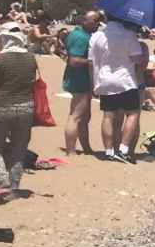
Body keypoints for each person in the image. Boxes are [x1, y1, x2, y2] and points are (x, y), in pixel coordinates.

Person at [0, 23, 40, 199]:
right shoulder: (31, 58)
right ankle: (14, 187)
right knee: (19, 149)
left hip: (3, 106)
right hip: (27, 107)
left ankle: (2, 182)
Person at [90, 16, 147, 164]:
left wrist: (93, 82)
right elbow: (137, 60)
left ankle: (109, 151)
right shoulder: (129, 35)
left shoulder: (97, 35)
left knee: (108, 116)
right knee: (132, 114)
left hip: (104, 80)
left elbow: (92, 60)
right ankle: (123, 149)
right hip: (125, 80)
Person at [62, 11, 100, 156]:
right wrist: (93, 62)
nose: (98, 24)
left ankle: (86, 148)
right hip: (79, 80)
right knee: (76, 116)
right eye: (95, 21)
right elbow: (74, 61)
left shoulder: (78, 34)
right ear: (85, 21)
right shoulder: (80, 37)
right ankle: (71, 151)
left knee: (85, 116)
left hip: (80, 79)